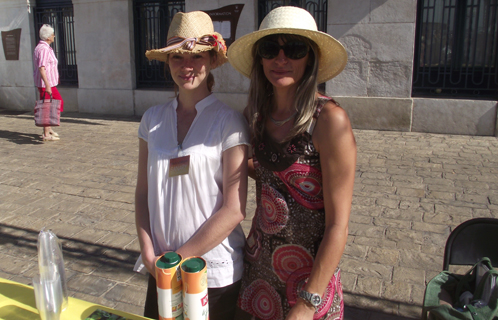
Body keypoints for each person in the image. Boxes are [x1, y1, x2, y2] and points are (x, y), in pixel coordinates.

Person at [227, 6, 356, 320]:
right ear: (260, 58)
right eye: (271, 49)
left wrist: (308, 303)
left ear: (309, 57)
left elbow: (339, 224)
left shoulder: (329, 120)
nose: (280, 59)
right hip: (260, 269)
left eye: (294, 49)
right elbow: (273, 175)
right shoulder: (255, 115)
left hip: (311, 278)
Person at [133, 11, 250, 320]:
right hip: (161, 269)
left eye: (197, 56)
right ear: (167, 62)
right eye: (177, 57)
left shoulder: (230, 122)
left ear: (211, 60)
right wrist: (148, 252)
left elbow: (235, 208)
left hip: (211, 272)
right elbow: (142, 193)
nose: (187, 66)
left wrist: (177, 258)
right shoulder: (152, 120)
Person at [33, 24, 63, 141]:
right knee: (49, 106)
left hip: (48, 83)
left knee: (49, 105)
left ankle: (48, 128)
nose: (54, 36)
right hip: (46, 83)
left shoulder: (43, 47)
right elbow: (42, 67)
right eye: (52, 34)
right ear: (48, 37)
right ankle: (46, 133)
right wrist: (47, 85)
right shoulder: (43, 49)